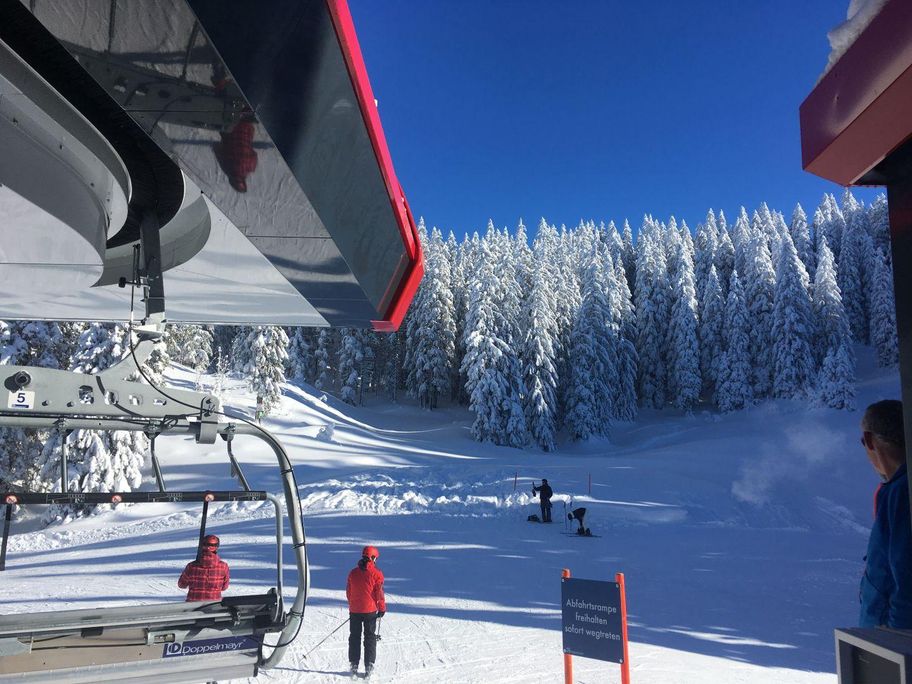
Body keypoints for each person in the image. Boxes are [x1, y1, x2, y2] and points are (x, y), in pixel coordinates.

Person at [858, 400, 912, 628]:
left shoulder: (901, 493)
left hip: (889, 645)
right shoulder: (895, 489)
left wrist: (895, 643)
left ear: (870, 441)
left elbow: (905, 577)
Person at [347, 545, 386, 677]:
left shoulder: (353, 573)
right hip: (370, 611)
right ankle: (369, 665)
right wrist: (381, 609)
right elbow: (379, 593)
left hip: (355, 610)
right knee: (369, 637)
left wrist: (353, 604)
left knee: (354, 637)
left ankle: (354, 664)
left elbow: (349, 592)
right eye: (376, 558)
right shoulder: (377, 574)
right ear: (373, 558)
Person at [178, 534, 230, 602]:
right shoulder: (223, 566)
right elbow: (224, 587)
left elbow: (181, 584)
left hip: (192, 605)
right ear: (216, 547)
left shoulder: (191, 566)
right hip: (213, 604)